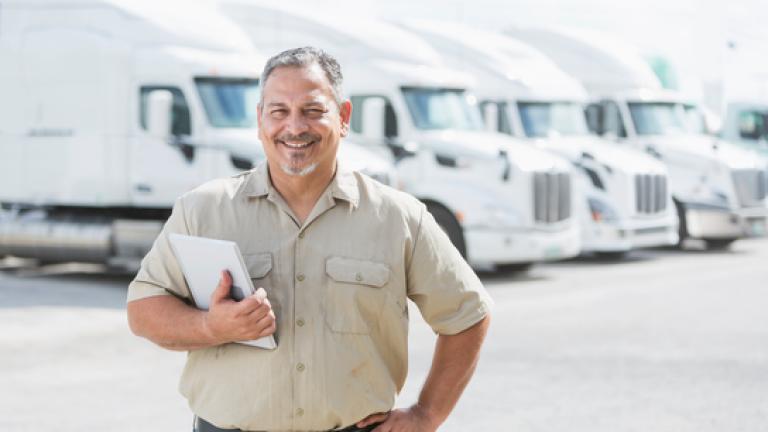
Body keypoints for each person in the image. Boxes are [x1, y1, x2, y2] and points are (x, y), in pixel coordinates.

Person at [127, 46, 492, 432]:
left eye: (313, 110)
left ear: (344, 117)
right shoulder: (202, 211)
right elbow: (143, 309)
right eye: (279, 111)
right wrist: (211, 327)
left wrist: (426, 414)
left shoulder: (399, 218)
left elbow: (468, 314)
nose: (294, 127)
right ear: (260, 119)